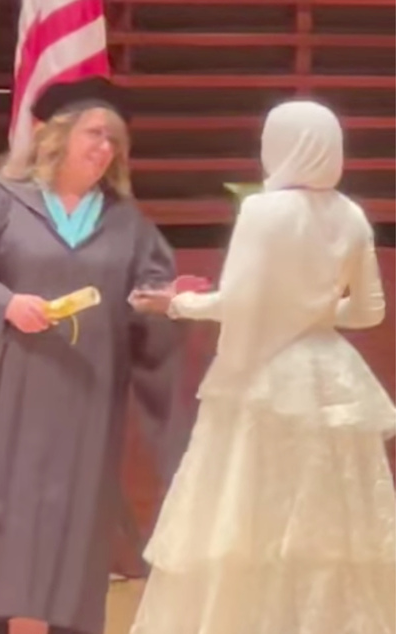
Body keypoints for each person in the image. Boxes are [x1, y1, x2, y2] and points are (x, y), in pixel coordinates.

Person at [0, 77, 184, 634]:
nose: (105, 148)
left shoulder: (127, 224)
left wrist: (161, 304)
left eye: (114, 141)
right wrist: (4, 301)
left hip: (82, 410)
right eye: (95, 134)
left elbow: (148, 302)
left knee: (57, 546)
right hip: (5, 402)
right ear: (58, 137)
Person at [128, 101, 396, 634]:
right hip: (330, 381)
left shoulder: (263, 213)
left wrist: (175, 304)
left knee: (242, 522)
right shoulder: (351, 215)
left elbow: (240, 302)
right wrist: (313, 314)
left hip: (263, 382)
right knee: (328, 532)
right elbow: (369, 311)